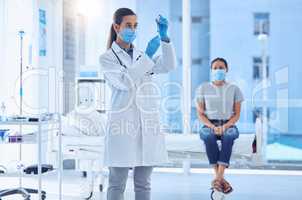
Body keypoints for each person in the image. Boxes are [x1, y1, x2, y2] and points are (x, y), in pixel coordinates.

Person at [99, 8, 177, 200]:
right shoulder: (107, 58)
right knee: (117, 184)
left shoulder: (141, 55)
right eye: (128, 25)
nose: (133, 29)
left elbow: (169, 66)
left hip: (146, 126)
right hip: (122, 127)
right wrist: (147, 57)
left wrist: (165, 38)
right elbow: (125, 82)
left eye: (135, 26)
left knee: (144, 184)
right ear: (116, 27)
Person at [195, 57, 244, 194]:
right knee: (207, 137)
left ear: (226, 70)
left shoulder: (234, 89)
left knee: (228, 137)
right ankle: (221, 179)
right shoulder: (203, 88)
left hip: (229, 124)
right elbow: (200, 114)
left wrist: (226, 126)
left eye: (221, 67)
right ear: (211, 70)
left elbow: (237, 115)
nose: (218, 70)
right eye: (215, 67)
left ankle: (217, 178)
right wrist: (212, 126)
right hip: (209, 124)